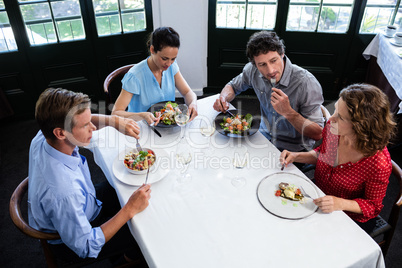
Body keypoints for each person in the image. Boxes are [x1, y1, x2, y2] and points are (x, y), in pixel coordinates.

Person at [28, 88, 151, 265]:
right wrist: (129, 209)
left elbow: (80, 118)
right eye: (86, 125)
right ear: (61, 133)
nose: (93, 127)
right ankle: (125, 261)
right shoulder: (64, 192)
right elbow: (86, 246)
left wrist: (113, 121)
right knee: (142, 231)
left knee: (125, 188)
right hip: (72, 242)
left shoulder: (43, 135)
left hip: (84, 203)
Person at [280, 83, 396, 223]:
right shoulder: (333, 129)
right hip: (317, 193)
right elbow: (324, 155)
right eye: (335, 110)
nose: (330, 119)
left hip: (344, 216)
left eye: (340, 117)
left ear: (361, 126)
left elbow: (372, 206)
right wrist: (297, 156)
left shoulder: (379, 164)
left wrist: (339, 203)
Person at [213, 31, 324, 152]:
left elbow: (318, 134)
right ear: (255, 64)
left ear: (282, 54)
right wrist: (223, 98)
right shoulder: (252, 70)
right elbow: (233, 86)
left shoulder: (306, 83)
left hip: (293, 149)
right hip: (262, 136)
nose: (270, 70)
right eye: (262, 64)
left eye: (273, 60)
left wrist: (288, 112)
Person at [112, 26, 198, 124]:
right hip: (141, 127)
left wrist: (193, 103)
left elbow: (187, 92)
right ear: (152, 49)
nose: (169, 64)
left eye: (173, 58)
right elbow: (115, 113)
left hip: (167, 126)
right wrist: (142, 115)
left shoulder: (172, 66)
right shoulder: (134, 76)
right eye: (164, 58)